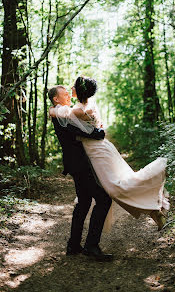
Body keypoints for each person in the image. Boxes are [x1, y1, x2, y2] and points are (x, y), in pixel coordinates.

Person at [49, 76, 170, 232]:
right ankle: (153, 210)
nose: (69, 89)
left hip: (98, 151)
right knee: (112, 188)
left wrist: (52, 109)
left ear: (79, 91)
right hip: (94, 152)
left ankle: (153, 204)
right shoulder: (84, 106)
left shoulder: (79, 110)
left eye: (72, 87)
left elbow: (65, 113)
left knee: (115, 187)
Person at [48, 85, 113, 262]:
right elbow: (85, 132)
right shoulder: (61, 113)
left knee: (84, 202)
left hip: (76, 163)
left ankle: (73, 245)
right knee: (104, 199)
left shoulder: (60, 111)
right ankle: (91, 246)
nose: (68, 95)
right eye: (64, 93)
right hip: (78, 164)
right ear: (56, 99)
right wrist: (100, 132)